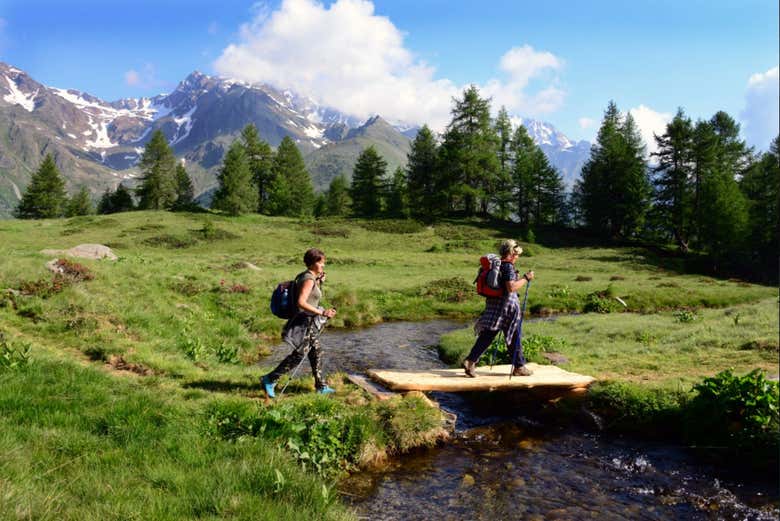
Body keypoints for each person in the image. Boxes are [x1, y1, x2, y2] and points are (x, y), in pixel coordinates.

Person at [262, 248, 337, 398]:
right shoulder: (308, 279)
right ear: (314, 263)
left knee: (315, 352)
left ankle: (321, 386)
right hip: (303, 322)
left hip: (307, 321)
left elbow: (310, 296)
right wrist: (322, 312)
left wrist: (318, 281)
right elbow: (301, 302)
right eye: (321, 263)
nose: (323, 266)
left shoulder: (307, 276)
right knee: (299, 354)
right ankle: (269, 379)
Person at [463, 239, 535, 378]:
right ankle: (518, 367)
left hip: (494, 304)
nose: (518, 256)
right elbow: (511, 287)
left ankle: (471, 361)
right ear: (512, 253)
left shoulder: (498, 265)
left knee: (490, 335)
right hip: (506, 307)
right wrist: (526, 277)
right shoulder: (507, 266)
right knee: (510, 335)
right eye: (517, 254)